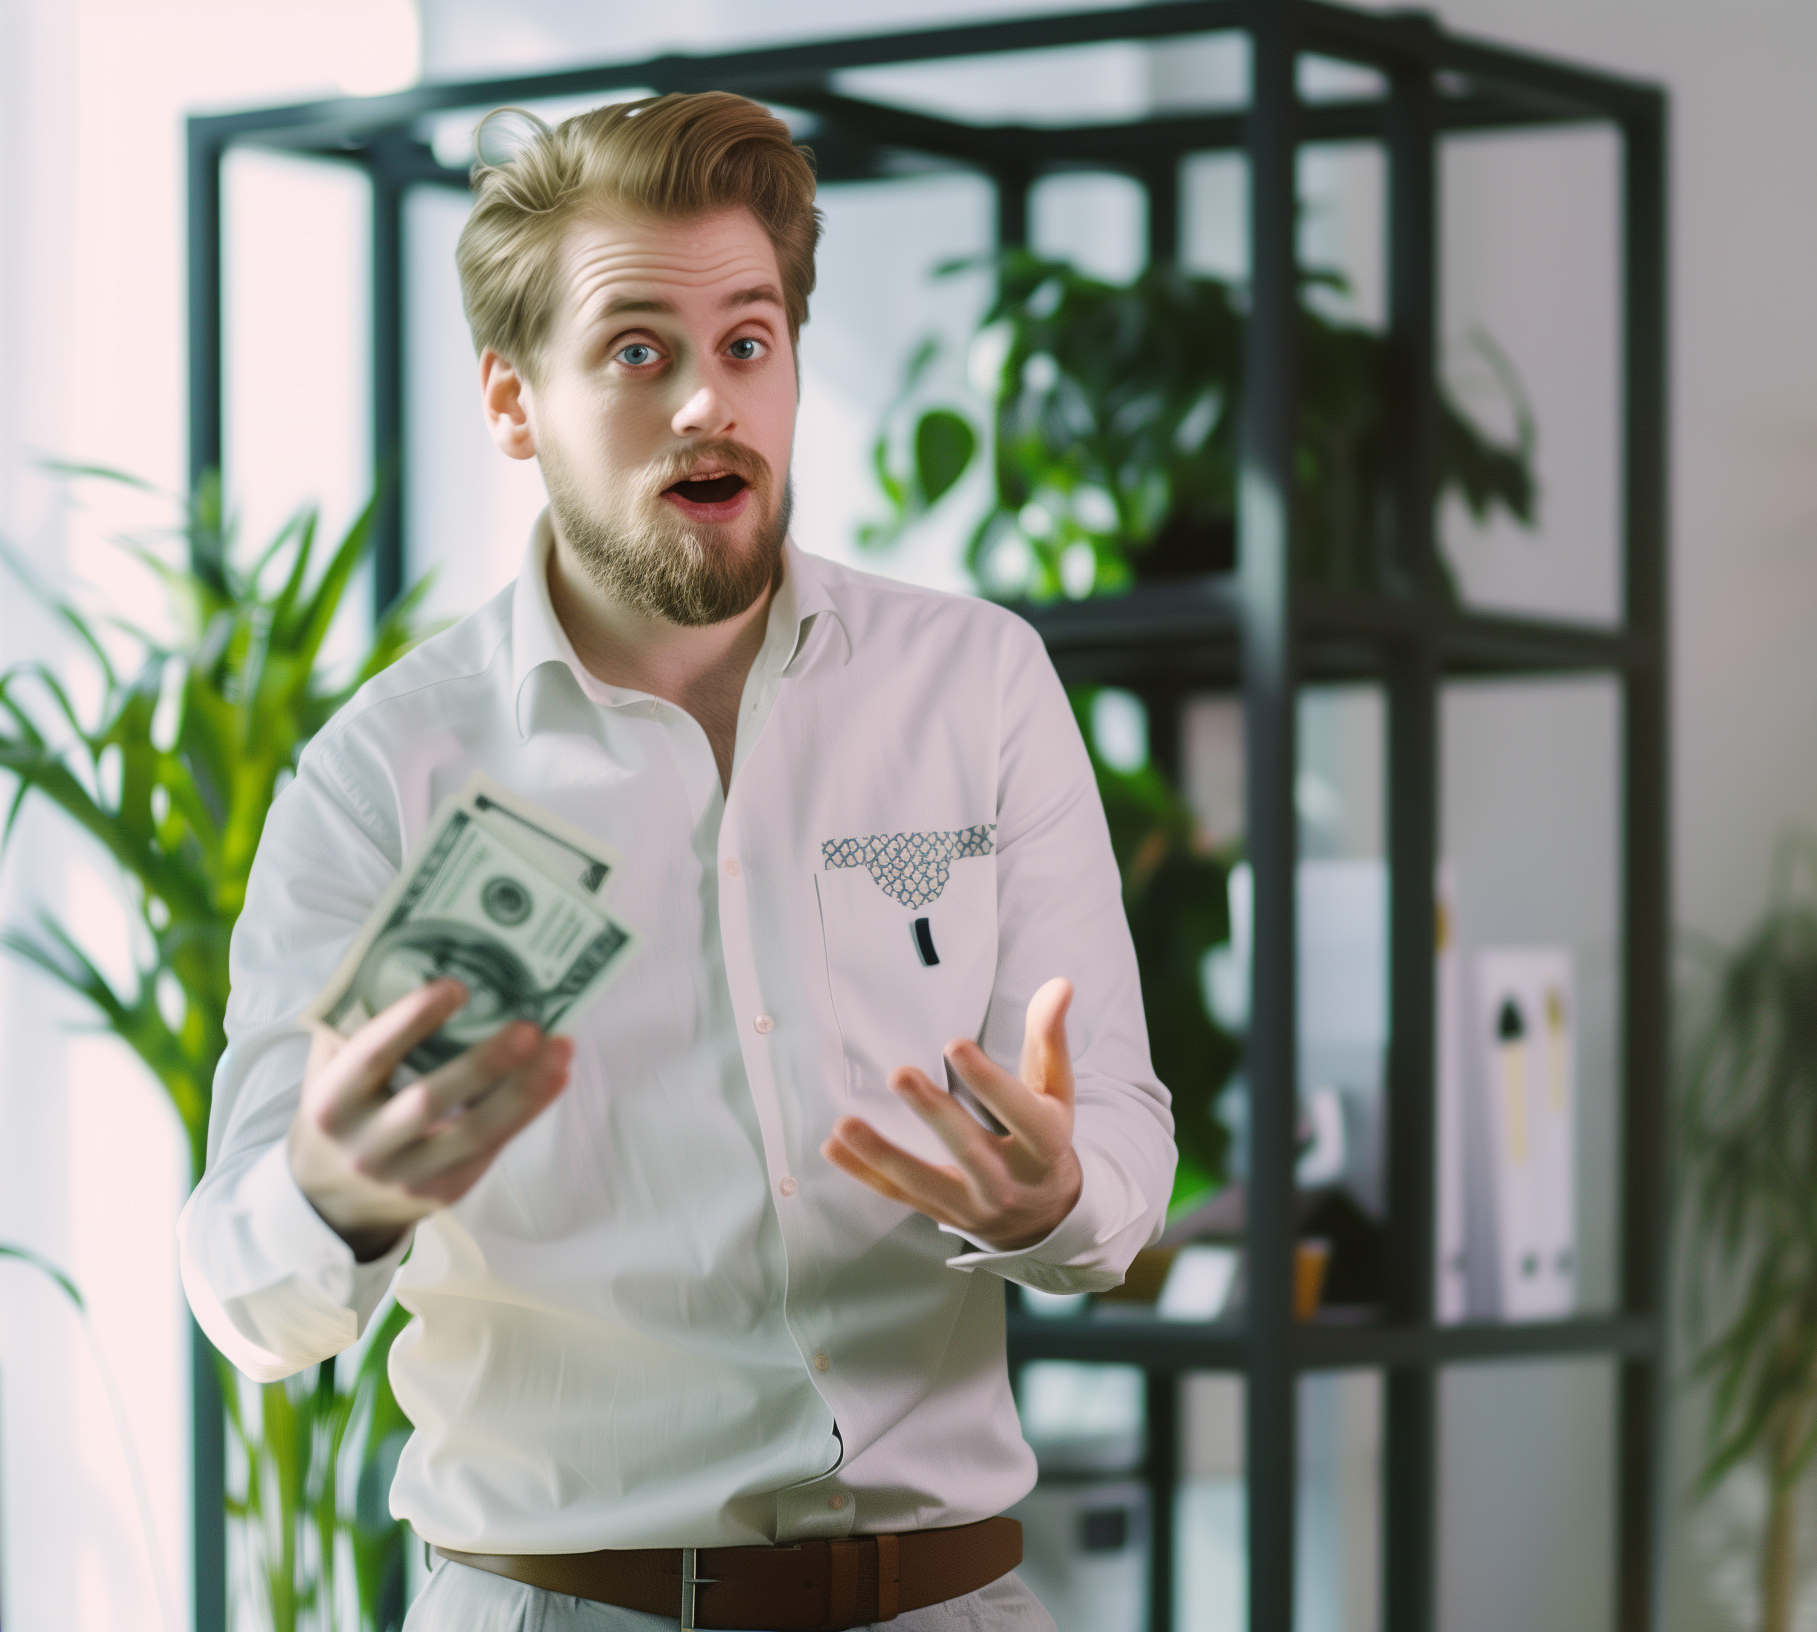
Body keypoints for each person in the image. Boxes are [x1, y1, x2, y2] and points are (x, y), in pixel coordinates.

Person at [180, 91, 1174, 1632]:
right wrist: (332, 1192)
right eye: (638, 352)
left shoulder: (973, 684)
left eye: (747, 343)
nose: (708, 402)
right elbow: (243, 1297)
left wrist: (1052, 1199)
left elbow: (1118, 1142)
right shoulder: (392, 772)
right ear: (515, 403)